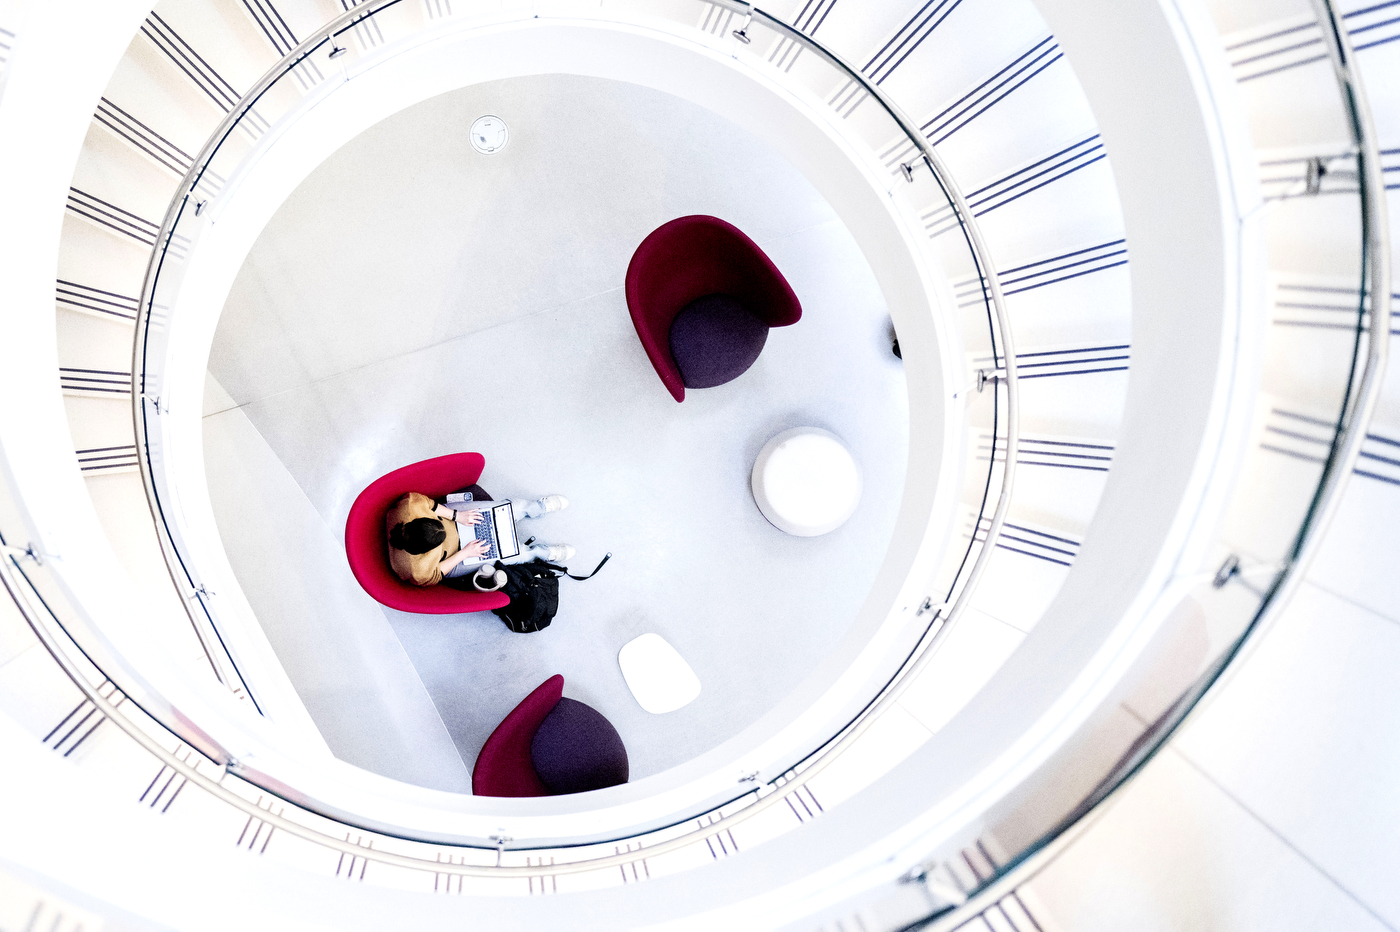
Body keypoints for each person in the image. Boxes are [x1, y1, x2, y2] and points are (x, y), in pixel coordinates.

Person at [385, 492, 573, 587]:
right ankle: (539, 552)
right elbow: (438, 573)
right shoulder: (418, 570)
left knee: (504, 509)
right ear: (425, 552)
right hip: (454, 557)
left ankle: (535, 508)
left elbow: (431, 505)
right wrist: (465, 553)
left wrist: (457, 516)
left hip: (455, 520)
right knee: (509, 555)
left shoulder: (410, 505)